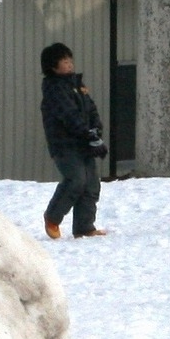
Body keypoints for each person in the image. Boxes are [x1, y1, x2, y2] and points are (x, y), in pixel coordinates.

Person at [39, 42, 107, 240]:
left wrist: (95, 129)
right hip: (65, 145)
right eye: (65, 61)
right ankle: (52, 217)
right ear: (53, 66)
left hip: (84, 141)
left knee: (92, 184)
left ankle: (85, 227)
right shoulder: (54, 89)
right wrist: (87, 133)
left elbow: (91, 109)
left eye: (70, 60)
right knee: (76, 180)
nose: (70, 64)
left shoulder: (78, 85)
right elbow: (68, 115)